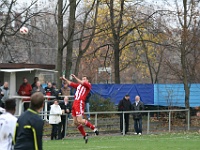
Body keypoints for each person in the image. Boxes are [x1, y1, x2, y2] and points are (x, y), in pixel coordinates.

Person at [60, 74, 99, 143]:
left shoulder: (88, 85)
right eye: (82, 79)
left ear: (87, 80)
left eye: (84, 79)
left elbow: (82, 83)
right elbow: (71, 83)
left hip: (80, 103)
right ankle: (85, 135)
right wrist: (65, 79)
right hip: (75, 103)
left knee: (80, 120)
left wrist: (75, 77)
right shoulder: (79, 85)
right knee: (75, 122)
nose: (83, 80)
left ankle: (94, 128)